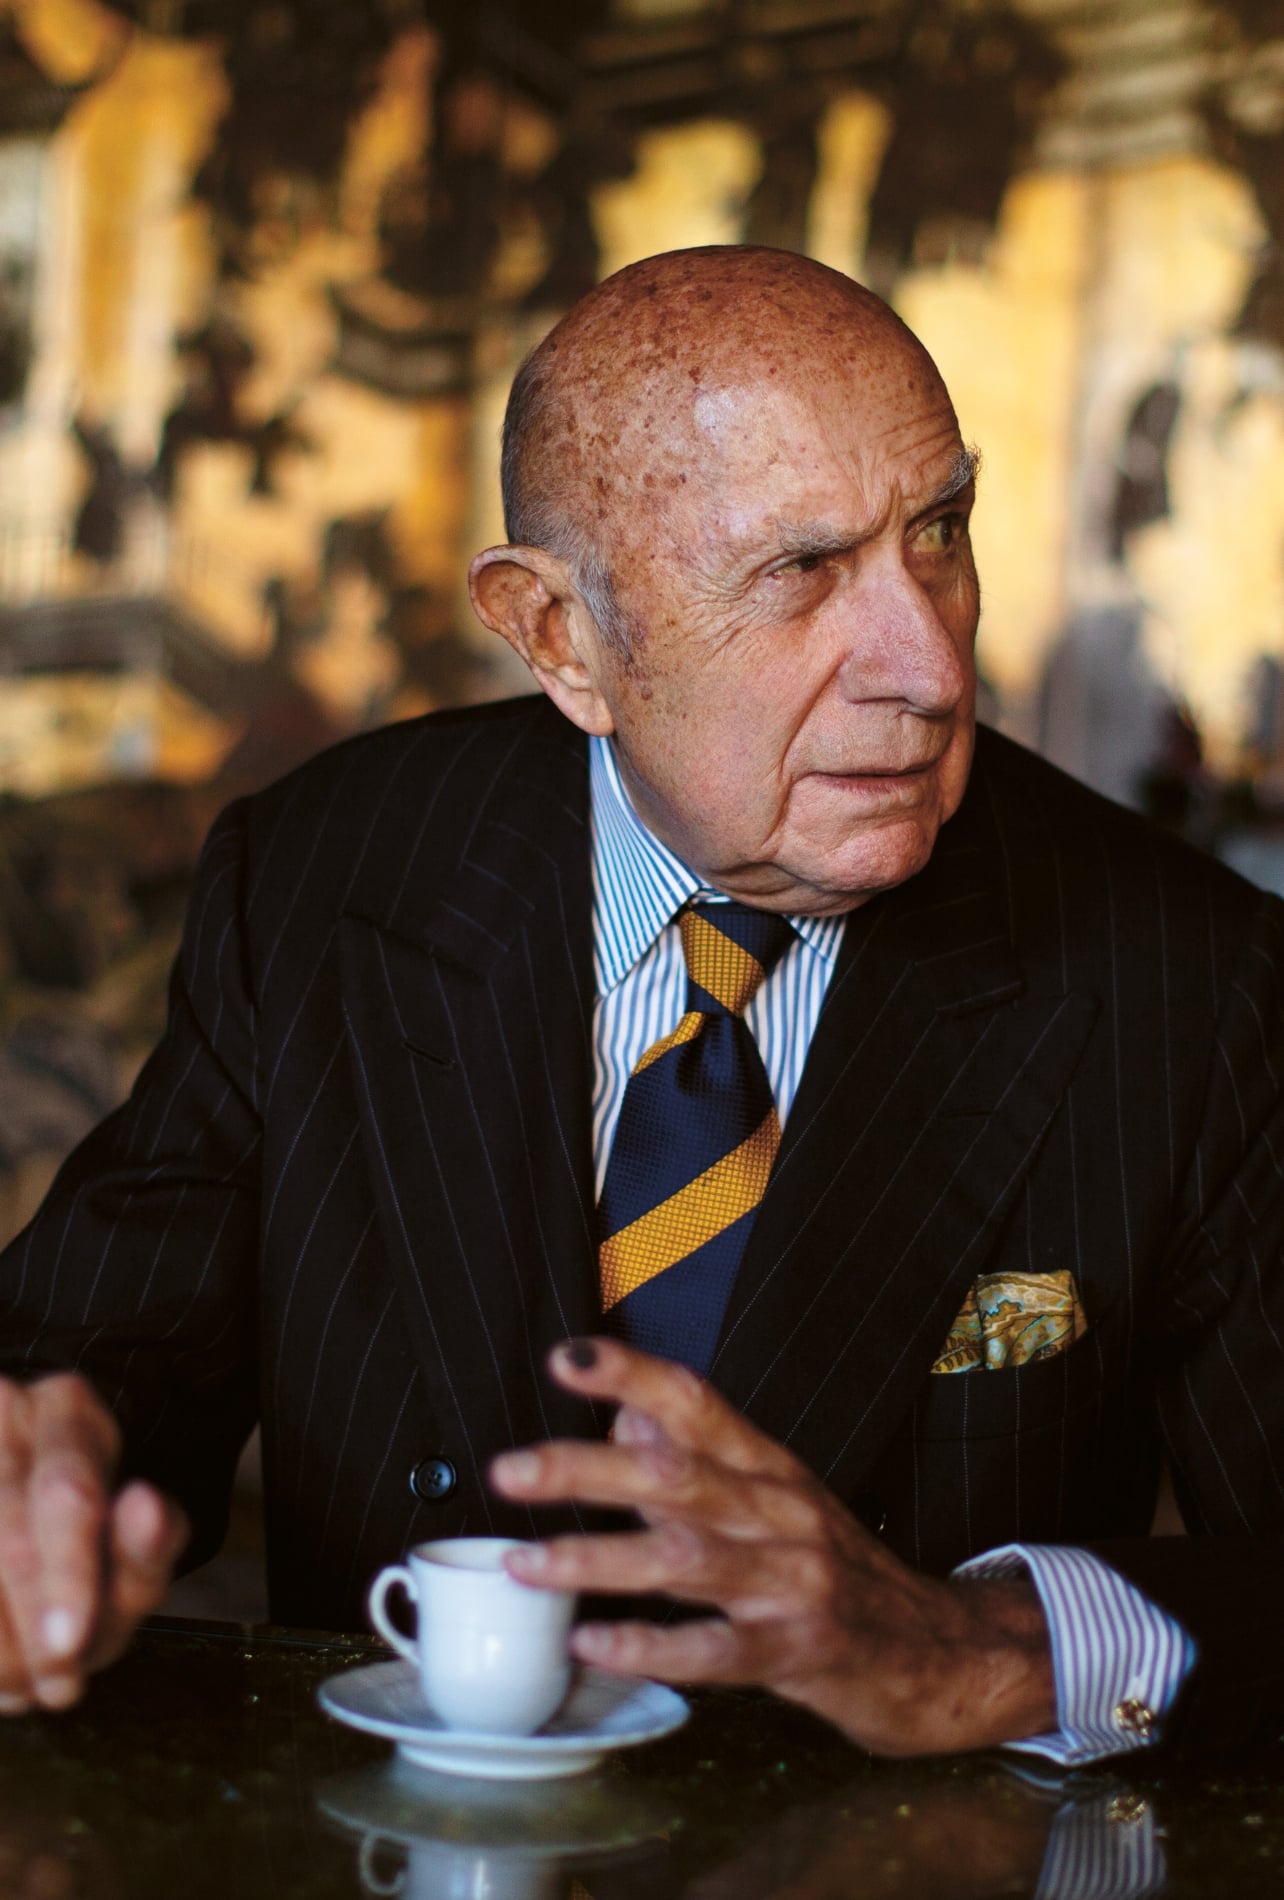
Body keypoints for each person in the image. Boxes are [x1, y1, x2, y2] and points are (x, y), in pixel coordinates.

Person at [0, 247, 1280, 1757]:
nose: (932, 666)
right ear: (561, 638)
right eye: (801, 573)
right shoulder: (328, 873)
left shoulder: (1187, 972)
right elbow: (99, 1352)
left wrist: (987, 1646)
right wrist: (46, 1474)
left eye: (941, 532)